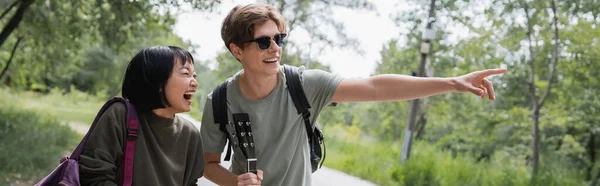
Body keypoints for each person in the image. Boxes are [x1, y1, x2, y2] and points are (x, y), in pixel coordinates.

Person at [200, 3, 507, 186]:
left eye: (279, 38)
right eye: (264, 42)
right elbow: (209, 165)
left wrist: (452, 82)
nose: (276, 48)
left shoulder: (304, 84)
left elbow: (374, 87)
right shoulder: (219, 101)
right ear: (237, 50)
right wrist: (235, 182)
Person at [79, 46, 205, 186]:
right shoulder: (119, 115)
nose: (195, 83)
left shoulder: (190, 133)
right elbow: (94, 177)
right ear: (157, 80)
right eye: (185, 73)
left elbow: (191, 183)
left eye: (194, 76)